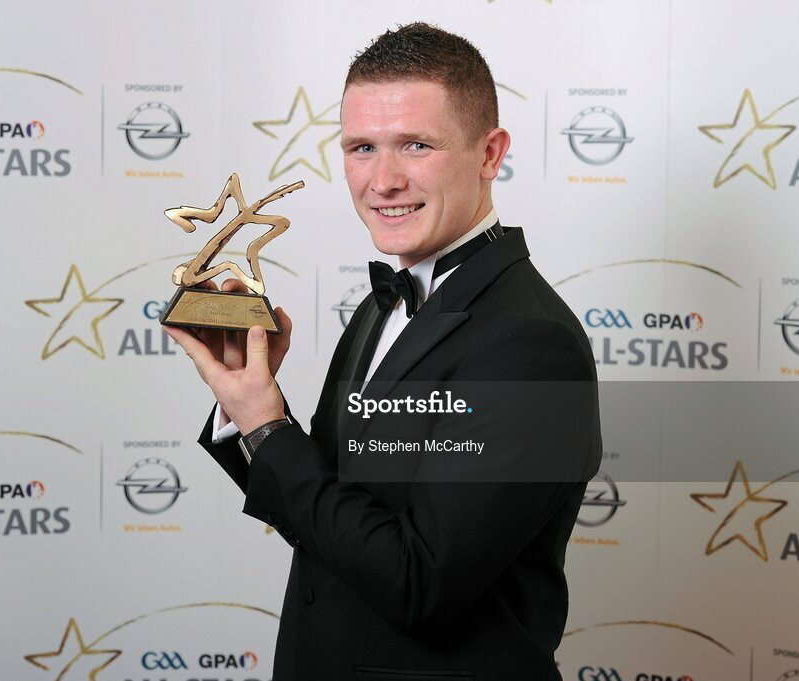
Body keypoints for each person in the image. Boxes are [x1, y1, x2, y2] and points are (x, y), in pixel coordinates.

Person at [165, 22, 601, 681]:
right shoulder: (382, 304)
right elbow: (329, 518)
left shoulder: (530, 343)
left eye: (416, 145)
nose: (383, 179)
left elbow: (418, 583)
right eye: (361, 147)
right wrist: (248, 398)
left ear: (490, 153)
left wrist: (268, 425)